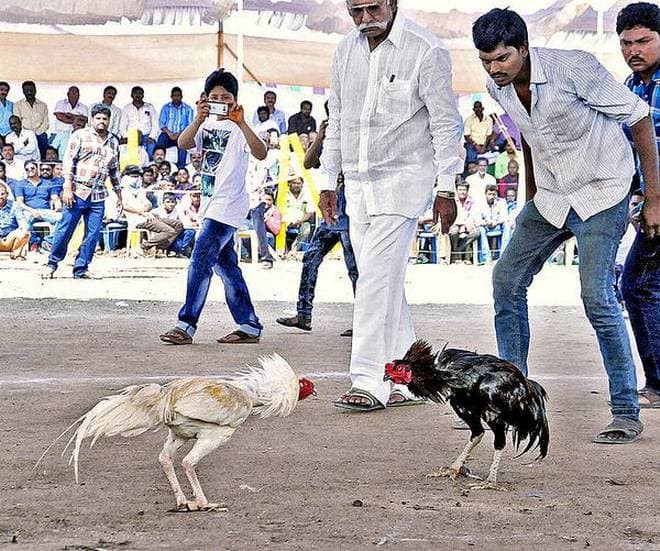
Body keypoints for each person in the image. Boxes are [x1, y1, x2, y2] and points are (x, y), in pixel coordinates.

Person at [472, 8, 659, 443]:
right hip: (553, 197)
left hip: (602, 191)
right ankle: (511, 394)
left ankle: (626, 411)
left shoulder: (573, 68)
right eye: (486, 61)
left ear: (523, 48)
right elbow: (530, 138)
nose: (495, 69)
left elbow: (639, 117)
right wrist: (530, 200)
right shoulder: (496, 87)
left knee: (597, 296)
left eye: (502, 59)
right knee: (505, 281)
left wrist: (653, 198)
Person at [321, 0, 463, 410]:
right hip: (359, 186)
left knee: (372, 284)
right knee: (381, 283)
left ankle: (368, 379)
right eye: (355, 11)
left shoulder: (427, 49)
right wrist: (329, 180)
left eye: (372, 8)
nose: (365, 19)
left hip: (404, 183)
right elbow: (339, 119)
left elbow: (444, 123)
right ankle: (411, 377)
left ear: (393, 2)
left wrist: (447, 187)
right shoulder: (345, 51)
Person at [159, 68, 267, 346]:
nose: (220, 101)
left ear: (235, 100)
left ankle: (186, 323)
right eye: (214, 96)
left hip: (228, 206)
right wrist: (198, 118)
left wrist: (242, 123)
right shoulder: (204, 124)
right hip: (209, 203)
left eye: (226, 97)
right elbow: (183, 143)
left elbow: (261, 152)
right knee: (226, 266)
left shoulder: (239, 127)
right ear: (205, 98)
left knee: (200, 259)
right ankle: (249, 324)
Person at [277, 110, 358, 335]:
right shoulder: (329, 138)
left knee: (355, 269)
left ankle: (363, 320)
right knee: (311, 259)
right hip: (332, 210)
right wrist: (321, 135)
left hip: (351, 209)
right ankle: (303, 315)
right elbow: (308, 161)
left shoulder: (358, 134)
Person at [617, 2, 660, 410]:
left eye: (644, 40)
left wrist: (655, 201)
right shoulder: (630, 88)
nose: (634, 49)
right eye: (627, 42)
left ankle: (658, 384)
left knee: (639, 286)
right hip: (647, 202)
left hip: (658, 204)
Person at [42, 104, 123, 279]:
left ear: (109, 120)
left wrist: (119, 196)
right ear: (92, 119)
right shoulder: (80, 135)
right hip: (77, 191)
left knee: (92, 235)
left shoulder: (114, 141)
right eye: (98, 118)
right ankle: (51, 264)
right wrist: (68, 188)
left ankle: (81, 268)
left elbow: (115, 171)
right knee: (65, 230)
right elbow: (69, 162)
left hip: (99, 194)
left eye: (105, 118)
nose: (102, 122)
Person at [156, 86, 195, 169]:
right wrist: (170, 133)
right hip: (167, 134)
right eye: (174, 96)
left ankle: (181, 168)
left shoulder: (188, 109)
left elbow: (190, 125)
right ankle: (157, 166)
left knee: (183, 147)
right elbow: (161, 123)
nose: (176, 98)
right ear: (171, 96)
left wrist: (178, 134)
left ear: (181, 96)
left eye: (178, 96)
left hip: (182, 134)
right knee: (159, 144)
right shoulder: (166, 107)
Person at [120, 86, 158, 159]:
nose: (138, 95)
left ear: (143, 95)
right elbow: (122, 125)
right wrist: (126, 137)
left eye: (140, 93)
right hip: (131, 136)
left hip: (147, 137)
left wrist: (152, 136)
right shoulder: (126, 108)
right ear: (131, 95)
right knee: (132, 157)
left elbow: (155, 123)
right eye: (135, 93)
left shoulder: (150, 107)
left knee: (150, 155)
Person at [13, 81, 49, 158]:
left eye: (31, 90)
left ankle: (43, 163)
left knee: (44, 141)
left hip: (39, 133)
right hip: (25, 133)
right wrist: (29, 134)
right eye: (27, 91)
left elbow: (46, 122)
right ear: (23, 92)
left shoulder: (43, 105)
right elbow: (17, 121)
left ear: (35, 90)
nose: (29, 92)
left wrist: (36, 133)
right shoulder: (18, 105)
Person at [448, 181, 480, 264]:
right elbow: (451, 215)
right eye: (460, 189)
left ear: (467, 191)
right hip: (454, 223)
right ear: (456, 190)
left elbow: (473, 214)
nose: (462, 192)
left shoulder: (471, 201)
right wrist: (461, 224)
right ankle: (455, 253)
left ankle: (458, 250)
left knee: (476, 233)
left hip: (467, 224)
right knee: (454, 232)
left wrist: (466, 224)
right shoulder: (452, 200)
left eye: (464, 190)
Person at [0, 182, 29, 259]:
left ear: (7, 194)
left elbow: (22, 222)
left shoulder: (15, 205)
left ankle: (16, 254)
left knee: (25, 232)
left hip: (10, 239)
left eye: (2, 194)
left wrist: (24, 229)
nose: (0, 196)